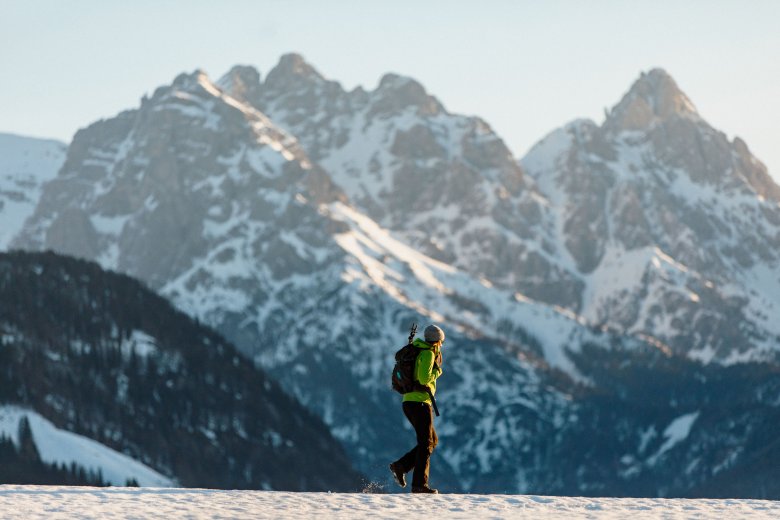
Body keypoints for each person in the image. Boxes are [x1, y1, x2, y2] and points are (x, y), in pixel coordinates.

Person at [389, 324, 444, 494]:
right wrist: (438, 372)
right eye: (441, 342)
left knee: (431, 441)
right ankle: (419, 485)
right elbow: (423, 378)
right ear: (437, 341)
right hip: (420, 403)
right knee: (426, 443)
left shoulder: (417, 349)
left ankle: (401, 466)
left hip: (410, 401)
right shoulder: (427, 353)